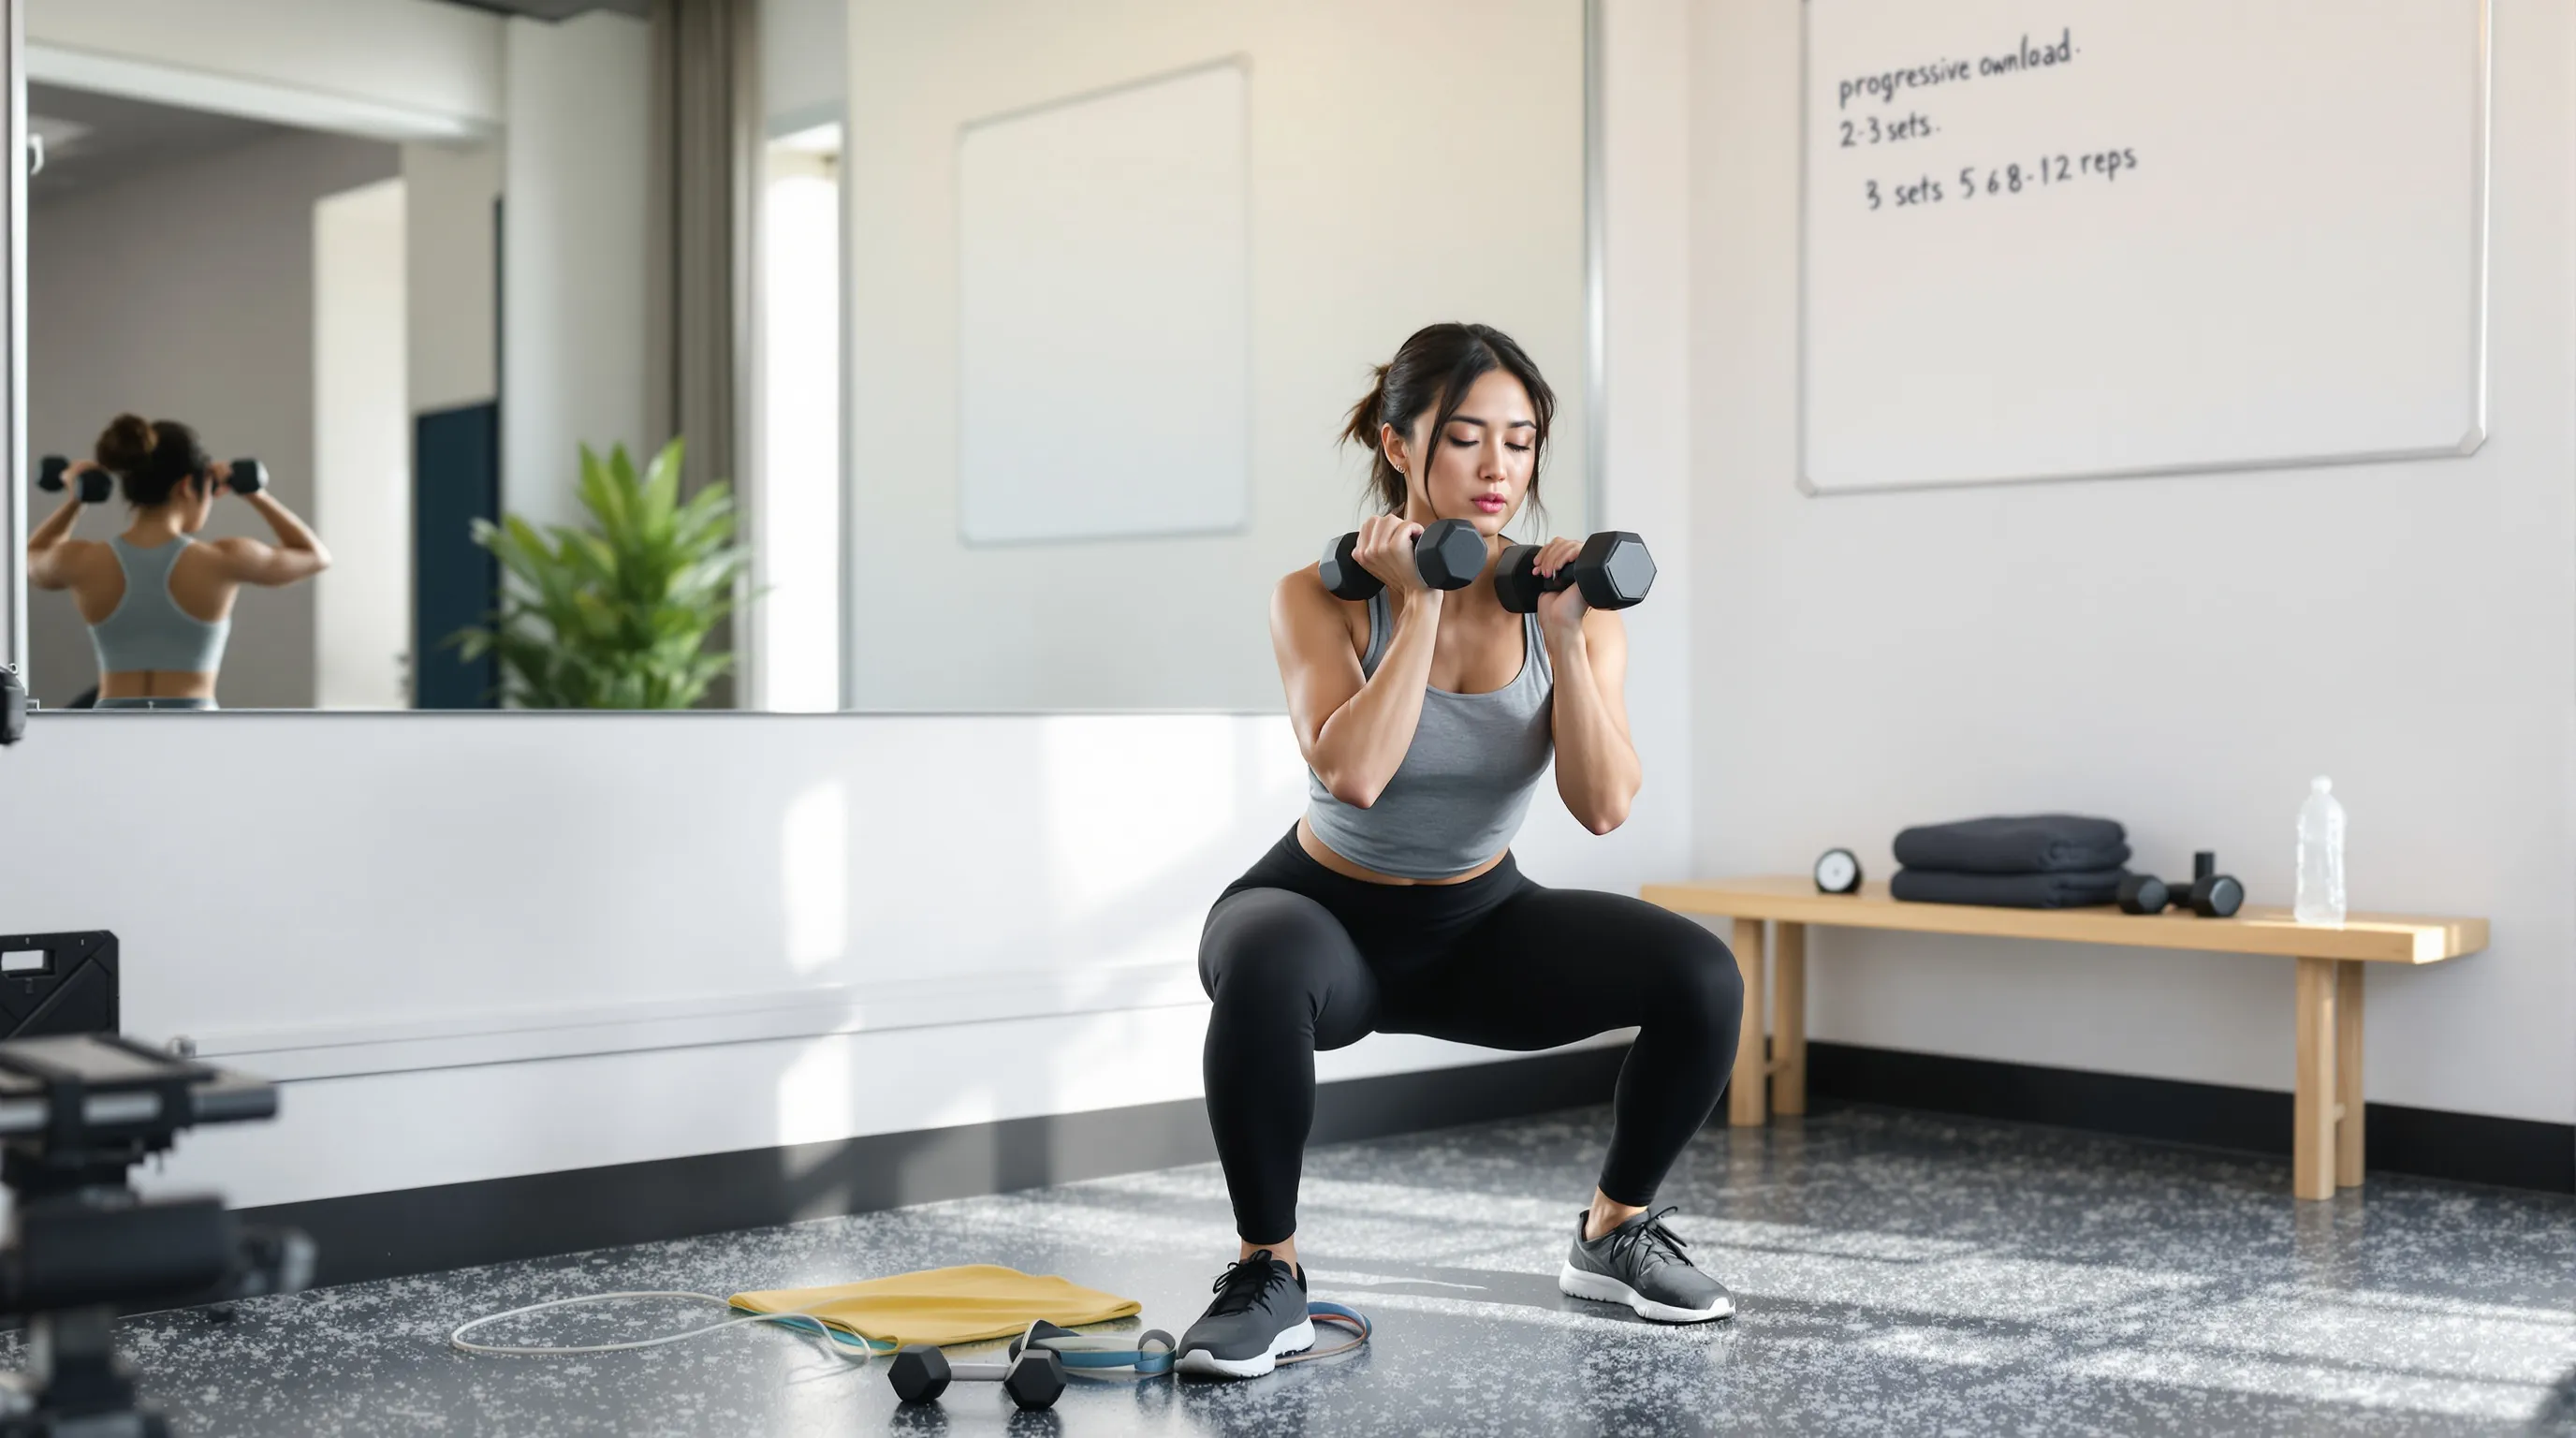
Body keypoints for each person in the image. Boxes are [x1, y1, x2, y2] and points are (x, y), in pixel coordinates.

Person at [1177, 323, 1746, 1379]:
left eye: (1520, 443)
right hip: (1319, 917)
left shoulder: (1564, 603)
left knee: (1701, 974)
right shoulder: (1319, 595)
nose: (1497, 470)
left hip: (1478, 924)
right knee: (1263, 958)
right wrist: (1422, 604)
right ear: (1400, 446)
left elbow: (1604, 804)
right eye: (1467, 438)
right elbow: (1353, 774)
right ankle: (1269, 1273)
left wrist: (1570, 641)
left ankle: (1613, 1232)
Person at [24, 414, 329, 709]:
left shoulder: (85, 561)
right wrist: (254, 492)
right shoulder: (222, 560)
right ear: (186, 486)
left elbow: (30, 559)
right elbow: (314, 556)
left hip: (111, 728)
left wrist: (78, 497)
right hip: (193, 729)